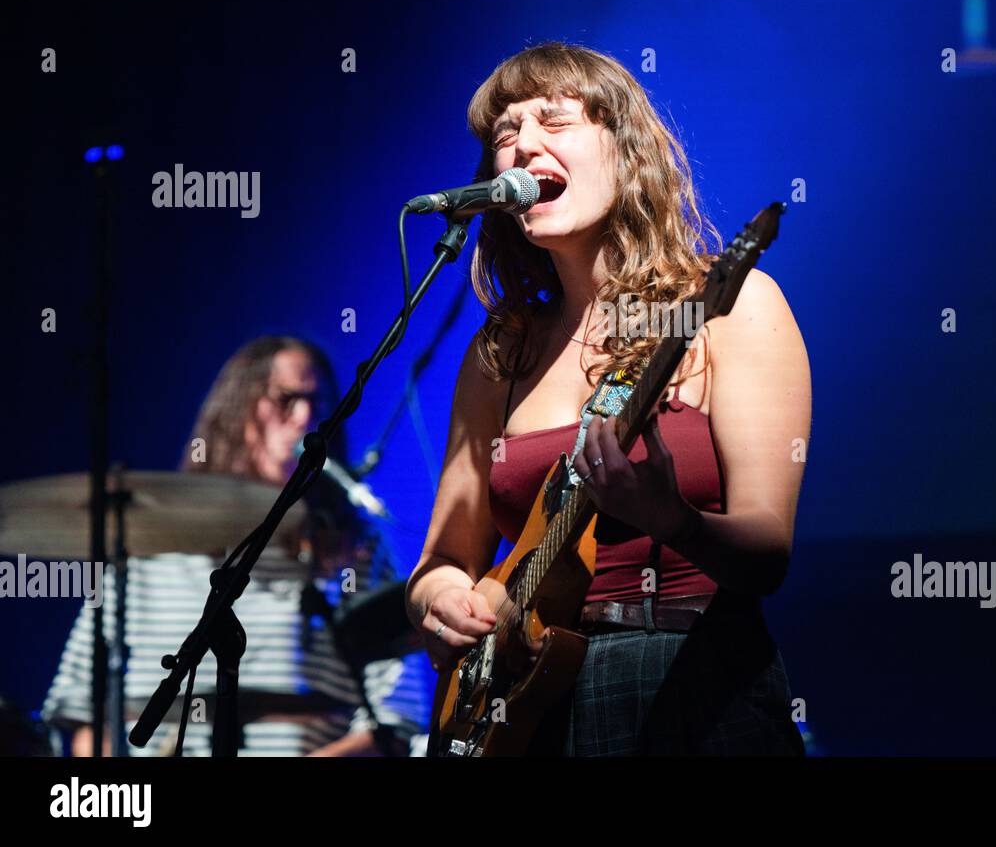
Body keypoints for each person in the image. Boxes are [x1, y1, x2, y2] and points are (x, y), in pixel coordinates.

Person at [406, 42, 812, 755]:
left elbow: (767, 554)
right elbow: (442, 557)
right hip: (528, 703)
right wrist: (438, 599)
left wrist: (676, 520)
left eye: (553, 122)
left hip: (687, 681)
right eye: (505, 134)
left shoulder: (730, 307)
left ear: (626, 151)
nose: (523, 145)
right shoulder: (500, 352)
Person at [42, 336, 429, 756]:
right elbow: (84, 710)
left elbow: (395, 717)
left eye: (318, 405)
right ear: (237, 412)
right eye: (285, 399)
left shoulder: (356, 546)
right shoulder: (146, 546)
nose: (305, 418)